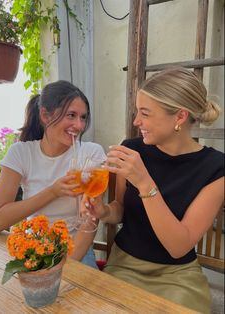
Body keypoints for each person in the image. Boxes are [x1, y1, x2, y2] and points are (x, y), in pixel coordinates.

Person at [82, 67, 224, 313]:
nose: (136, 121)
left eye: (145, 113)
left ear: (179, 117)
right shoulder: (133, 150)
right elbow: (121, 211)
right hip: (124, 265)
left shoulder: (215, 168)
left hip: (177, 277)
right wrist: (103, 211)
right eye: (138, 111)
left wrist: (145, 183)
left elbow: (178, 247)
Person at [0, 80, 106, 269]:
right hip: (34, 250)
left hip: (76, 251)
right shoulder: (21, 153)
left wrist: (66, 267)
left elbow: (89, 221)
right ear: (45, 114)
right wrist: (53, 191)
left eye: (83, 117)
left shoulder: (90, 154)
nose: (79, 125)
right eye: (71, 115)